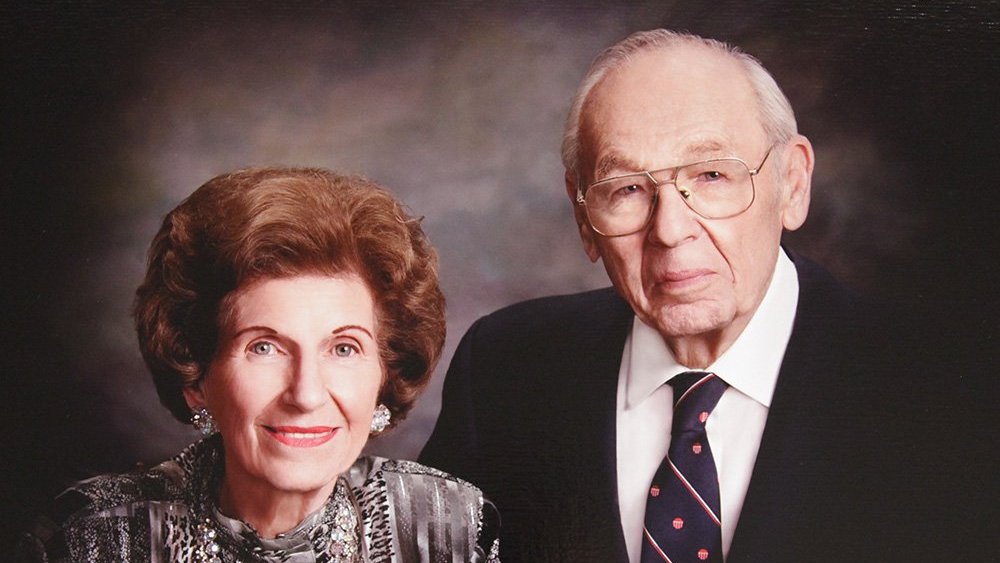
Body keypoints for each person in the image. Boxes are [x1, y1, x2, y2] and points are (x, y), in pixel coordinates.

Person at [421, 30, 955, 562]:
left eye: (712, 175)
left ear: (792, 184)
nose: (671, 230)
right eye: (627, 188)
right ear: (583, 215)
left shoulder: (939, 392)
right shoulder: (503, 371)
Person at [25, 168, 500, 562]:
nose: (306, 394)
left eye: (344, 348)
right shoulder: (99, 537)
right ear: (197, 376)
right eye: (264, 347)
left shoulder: (445, 528)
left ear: (385, 375)